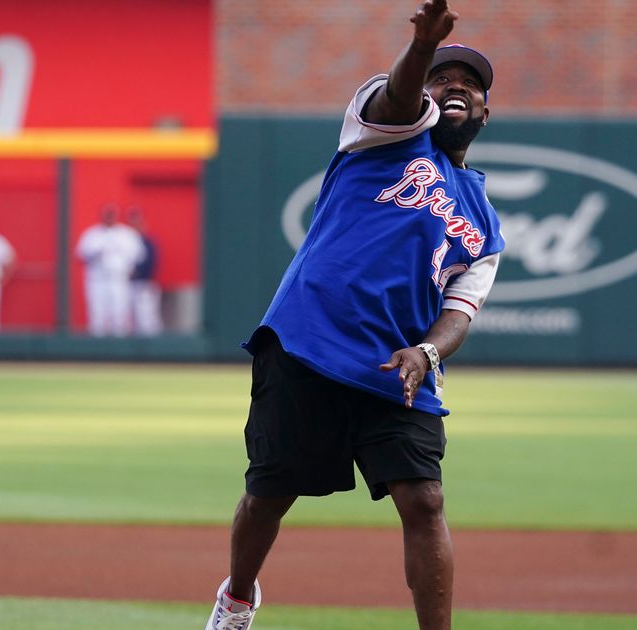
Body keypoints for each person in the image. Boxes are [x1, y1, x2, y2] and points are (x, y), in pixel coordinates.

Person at [204, 2, 504, 629]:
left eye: (471, 85)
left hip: (399, 366)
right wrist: (422, 47)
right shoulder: (384, 130)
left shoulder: (485, 221)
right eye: (443, 79)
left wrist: (430, 352)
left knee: (424, 500)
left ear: (484, 112)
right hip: (310, 339)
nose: (456, 88)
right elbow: (398, 96)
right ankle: (237, 597)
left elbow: (460, 310)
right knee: (269, 493)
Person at [75, 204, 145, 337]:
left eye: (112, 214)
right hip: (97, 280)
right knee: (97, 316)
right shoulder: (92, 234)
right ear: (102, 216)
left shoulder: (126, 234)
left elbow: (139, 256)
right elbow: (80, 254)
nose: (109, 217)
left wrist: (132, 270)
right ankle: (97, 350)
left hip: (119, 279)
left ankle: (121, 350)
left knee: (120, 315)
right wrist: (95, 252)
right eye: (107, 214)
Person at [126, 207, 163, 336]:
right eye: (132, 223)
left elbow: (151, 262)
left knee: (147, 318)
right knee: (128, 320)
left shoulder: (147, 241)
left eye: (137, 222)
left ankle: (154, 350)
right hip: (126, 285)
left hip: (144, 284)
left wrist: (141, 276)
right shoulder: (125, 240)